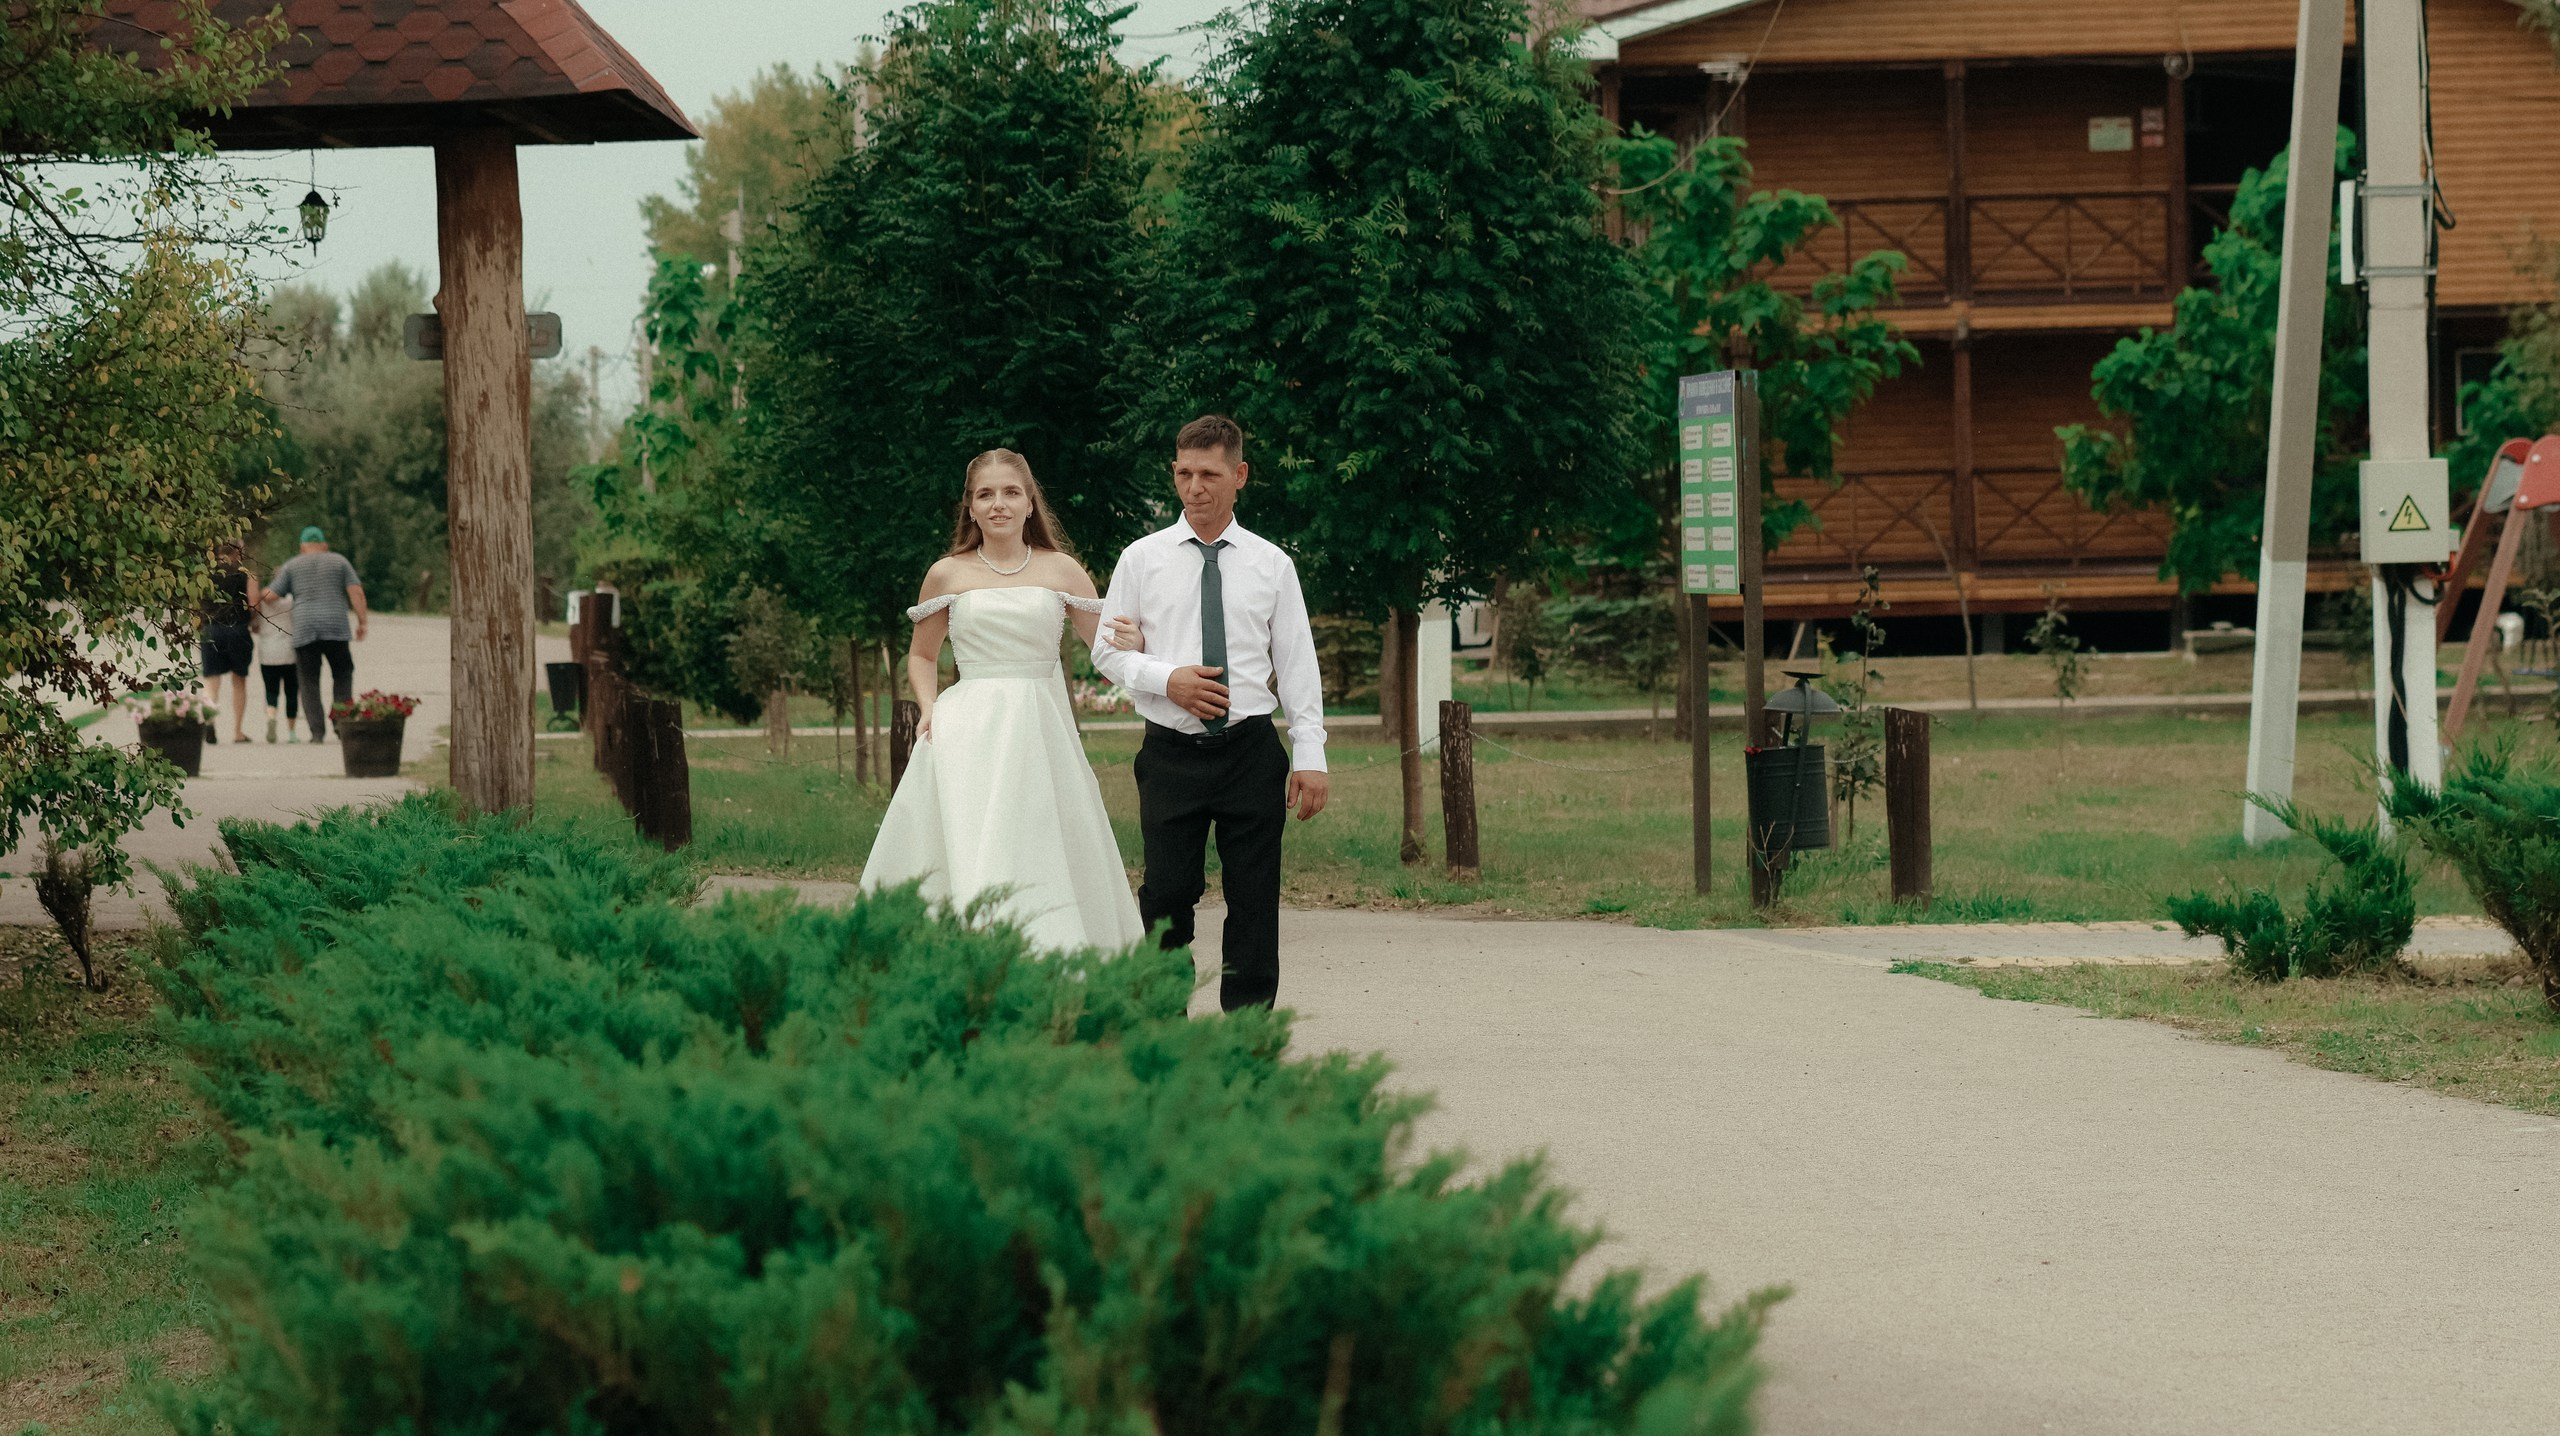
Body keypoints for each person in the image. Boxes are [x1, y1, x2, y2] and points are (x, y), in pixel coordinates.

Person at [857, 449, 1148, 954]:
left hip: (1040, 728)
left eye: (1011, 492)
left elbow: (1104, 649)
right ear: (969, 508)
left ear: (1030, 503)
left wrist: (1137, 644)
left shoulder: (1063, 571)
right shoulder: (947, 574)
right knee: (972, 840)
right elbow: (921, 657)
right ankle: (965, 954)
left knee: (1038, 840)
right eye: (985, 494)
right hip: (967, 730)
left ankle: (1049, 956)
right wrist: (929, 708)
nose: (999, 505)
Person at [1090, 415, 1330, 1011]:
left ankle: (1248, 1034)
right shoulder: (1140, 560)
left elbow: (1297, 661)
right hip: (1171, 754)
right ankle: (1163, 1019)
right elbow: (1104, 650)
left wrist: (1311, 754)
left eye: (1209, 474)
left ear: (1239, 475)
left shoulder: (1272, 564)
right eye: (1183, 474)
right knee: (1167, 895)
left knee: (1254, 898)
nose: (1194, 487)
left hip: (1251, 751)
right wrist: (1164, 678)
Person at [265, 525, 368, 743]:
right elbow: (356, 592)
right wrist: (362, 622)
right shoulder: (339, 562)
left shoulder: (292, 565)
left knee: (309, 681)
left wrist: (252, 593)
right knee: (342, 674)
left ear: (302, 547)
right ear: (324, 545)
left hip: (305, 629)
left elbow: (272, 595)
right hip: (336, 628)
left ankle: (317, 732)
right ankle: (341, 721)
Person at [198, 542, 257, 745]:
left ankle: (209, 720)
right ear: (237, 552)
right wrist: (254, 622)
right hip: (237, 630)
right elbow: (253, 604)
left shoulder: (205, 574)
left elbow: (194, 604)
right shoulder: (245, 574)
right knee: (238, 681)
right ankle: (238, 731)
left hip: (210, 629)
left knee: (211, 682)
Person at [253, 585, 298, 744]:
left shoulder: (262, 601)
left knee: (271, 690)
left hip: (268, 653)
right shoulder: (292, 601)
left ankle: (271, 716)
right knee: (291, 692)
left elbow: (255, 626)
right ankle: (292, 732)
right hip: (290, 652)